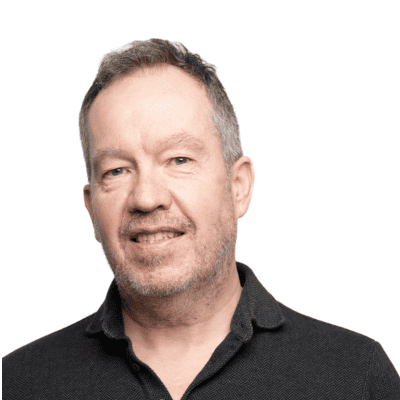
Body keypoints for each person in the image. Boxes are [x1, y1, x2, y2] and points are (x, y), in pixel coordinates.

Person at [3, 38, 400, 400]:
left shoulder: (354, 378)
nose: (146, 198)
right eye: (117, 170)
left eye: (179, 160)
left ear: (238, 186)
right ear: (92, 209)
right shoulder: (18, 384)